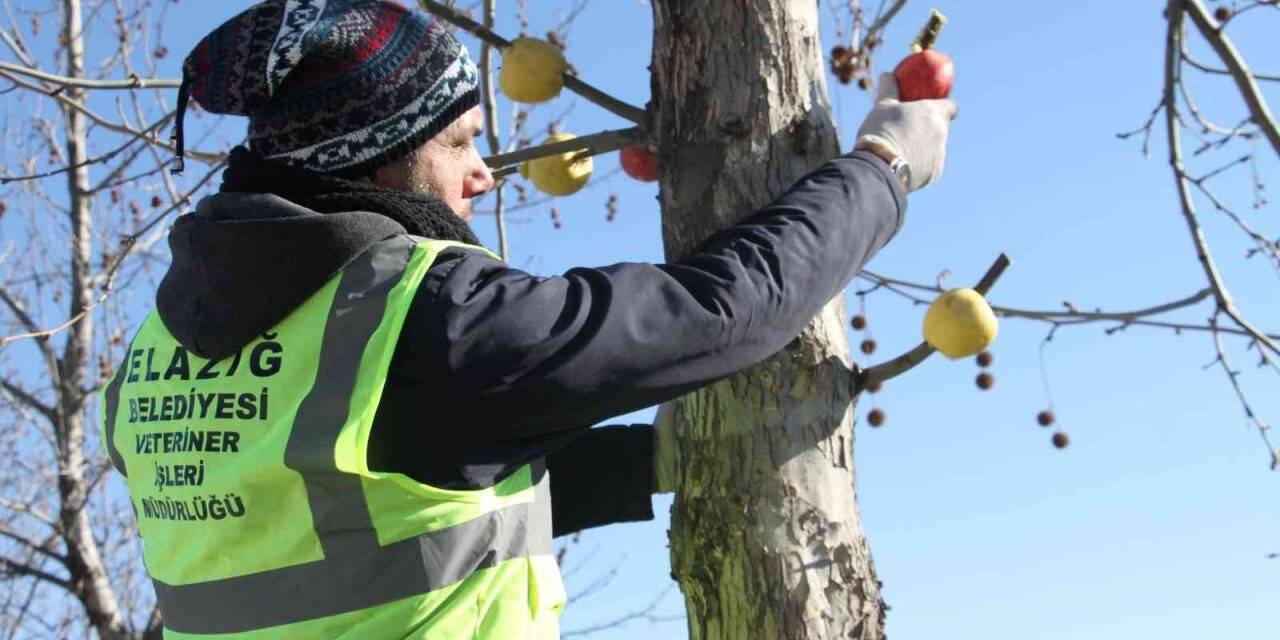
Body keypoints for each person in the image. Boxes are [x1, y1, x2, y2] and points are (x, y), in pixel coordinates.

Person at [97, 1, 956, 638]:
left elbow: (370, 526)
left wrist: (651, 460)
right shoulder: (422, 316)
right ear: (377, 158)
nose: (484, 176)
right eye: (460, 142)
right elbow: (721, 307)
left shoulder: (147, 364)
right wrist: (884, 166)